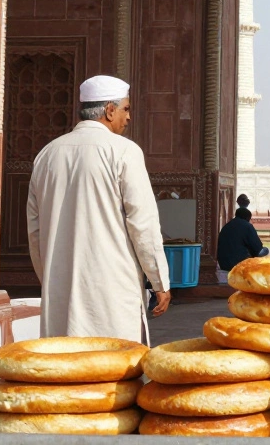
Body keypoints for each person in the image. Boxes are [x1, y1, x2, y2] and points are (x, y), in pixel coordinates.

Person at [27, 75, 170, 342]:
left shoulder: (47, 154)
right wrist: (159, 281)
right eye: (126, 109)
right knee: (113, 371)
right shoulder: (124, 151)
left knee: (65, 370)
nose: (128, 118)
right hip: (112, 289)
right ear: (109, 110)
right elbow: (144, 224)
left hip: (62, 290)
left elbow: (35, 231)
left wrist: (51, 278)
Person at [217, 196, 269, 272]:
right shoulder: (247, 226)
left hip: (223, 264)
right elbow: (258, 250)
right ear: (248, 218)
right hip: (239, 264)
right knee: (265, 251)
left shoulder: (227, 226)